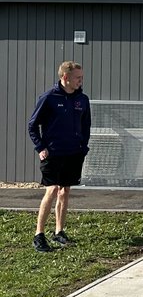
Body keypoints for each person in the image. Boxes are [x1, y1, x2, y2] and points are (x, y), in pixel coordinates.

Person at [27, 61, 91, 253]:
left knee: (65, 191)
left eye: (81, 77)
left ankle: (59, 231)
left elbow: (86, 125)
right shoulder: (49, 98)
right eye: (77, 78)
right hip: (53, 153)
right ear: (65, 77)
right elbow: (32, 125)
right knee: (53, 189)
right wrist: (40, 147)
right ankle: (39, 235)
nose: (80, 81)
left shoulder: (82, 99)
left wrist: (83, 147)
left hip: (73, 153)